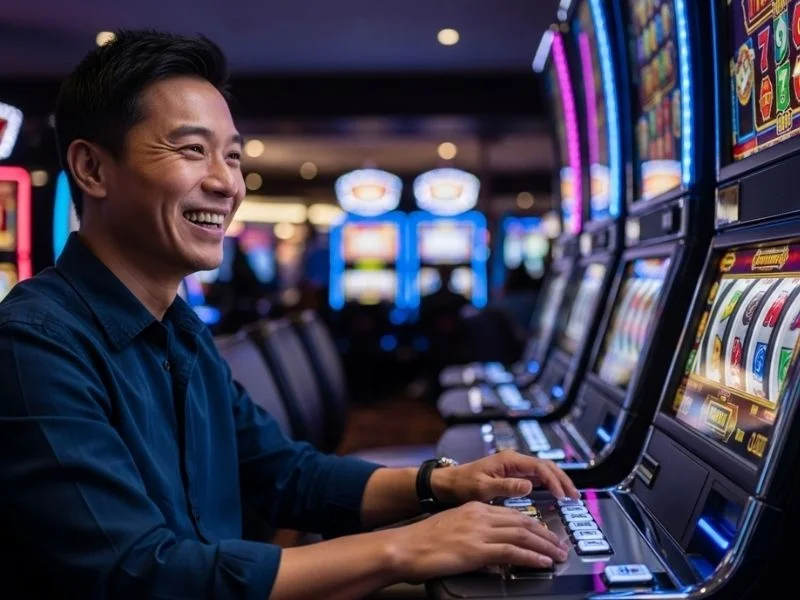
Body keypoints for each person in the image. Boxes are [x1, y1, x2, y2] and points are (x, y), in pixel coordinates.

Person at [0, 30, 579, 599]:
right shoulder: (35, 345)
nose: (226, 183)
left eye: (232, 156)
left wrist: (440, 481)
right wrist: (407, 547)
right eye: (192, 149)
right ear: (92, 170)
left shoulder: (179, 328)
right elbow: (143, 576)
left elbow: (285, 474)